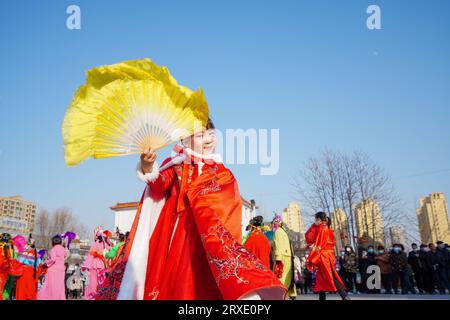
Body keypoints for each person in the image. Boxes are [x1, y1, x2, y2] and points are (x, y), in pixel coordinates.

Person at [96, 119, 286, 300]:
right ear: (185, 139)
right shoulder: (177, 166)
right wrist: (147, 166)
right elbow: (159, 184)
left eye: (211, 132)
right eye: (200, 135)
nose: (209, 139)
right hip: (180, 241)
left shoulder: (223, 174)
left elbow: (229, 211)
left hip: (210, 244)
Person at [305, 212, 348, 301]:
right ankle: (322, 297)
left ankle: (344, 296)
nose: (315, 222)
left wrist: (312, 257)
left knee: (330, 275)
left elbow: (318, 244)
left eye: (315, 219)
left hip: (324, 256)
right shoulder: (326, 228)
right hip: (325, 255)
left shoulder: (322, 228)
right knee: (321, 278)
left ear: (319, 219)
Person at [271, 215, 297, 299]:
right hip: (288, 257)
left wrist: (278, 258)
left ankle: (281, 296)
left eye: (274, 222)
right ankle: (289, 294)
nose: (273, 224)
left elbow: (278, 245)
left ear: (278, 223)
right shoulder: (284, 232)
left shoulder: (278, 232)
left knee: (280, 277)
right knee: (287, 277)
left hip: (281, 258)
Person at [82, 227, 110, 300]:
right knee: (102, 281)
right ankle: (101, 296)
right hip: (102, 265)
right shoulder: (105, 245)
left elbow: (90, 256)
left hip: (94, 264)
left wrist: (86, 266)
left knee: (93, 283)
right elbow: (109, 253)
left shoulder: (95, 244)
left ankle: (92, 297)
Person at [37, 235, 67, 300]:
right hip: (61, 271)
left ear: (53, 242)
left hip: (53, 271)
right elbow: (65, 255)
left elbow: (53, 259)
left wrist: (46, 263)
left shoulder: (53, 249)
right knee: (60, 287)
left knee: (49, 286)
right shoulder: (63, 249)